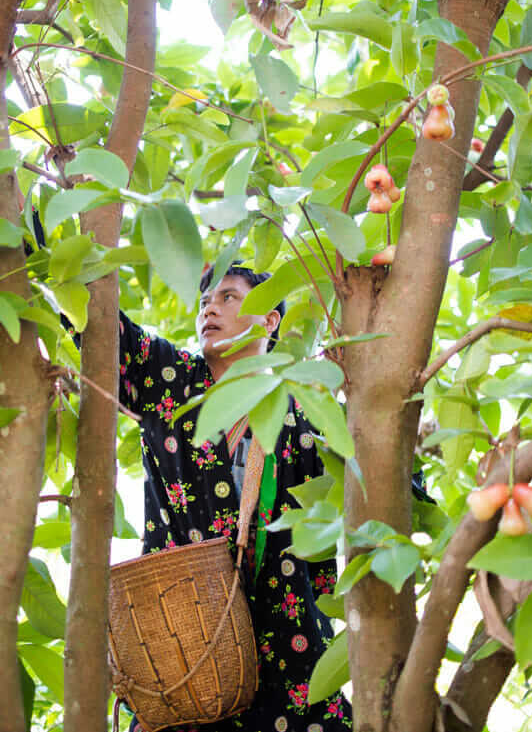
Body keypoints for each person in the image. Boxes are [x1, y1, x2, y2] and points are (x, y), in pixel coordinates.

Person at [116, 264, 352, 732]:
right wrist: (28, 242)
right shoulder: (172, 381)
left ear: (270, 321)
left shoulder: (308, 408)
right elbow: (100, 323)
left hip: (288, 646)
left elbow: (384, 479)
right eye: (205, 301)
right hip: (185, 647)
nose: (210, 309)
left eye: (228, 298)